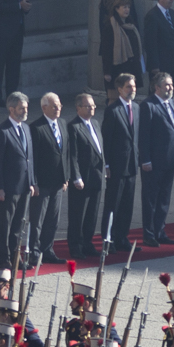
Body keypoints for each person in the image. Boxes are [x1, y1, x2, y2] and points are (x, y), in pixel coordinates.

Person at [0, 91, 38, 267]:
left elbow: (30, 158)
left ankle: (15, 257)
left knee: (19, 225)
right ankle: (4, 258)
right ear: (11, 109)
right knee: (6, 224)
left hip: (25, 186)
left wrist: (32, 182)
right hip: (9, 187)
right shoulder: (2, 131)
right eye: (22, 108)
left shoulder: (26, 128)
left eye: (26, 107)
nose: (25, 111)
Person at [139, 72, 174, 247]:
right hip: (153, 163)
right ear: (156, 87)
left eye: (171, 84)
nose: (170, 87)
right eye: (167, 85)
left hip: (169, 161)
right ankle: (149, 234)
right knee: (151, 200)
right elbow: (144, 136)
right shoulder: (148, 106)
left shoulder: (170, 103)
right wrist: (146, 160)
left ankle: (160, 231)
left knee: (164, 200)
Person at [102, 74, 141, 248]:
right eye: (128, 87)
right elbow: (107, 139)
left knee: (127, 204)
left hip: (132, 165)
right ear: (119, 89)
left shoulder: (137, 108)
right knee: (113, 205)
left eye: (133, 86)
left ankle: (122, 237)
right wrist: (107, 164)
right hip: (116, 166)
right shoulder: (113, 110)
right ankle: (108, 240)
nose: (132, 90)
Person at [30, 92, 68, 264]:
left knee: (53, 218)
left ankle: (48, 249)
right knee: (38, 219)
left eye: (59, 105)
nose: (58, 108)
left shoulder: (62, 124)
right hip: (42, 183)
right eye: (54, 106)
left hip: (58, 182)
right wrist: (34, 182)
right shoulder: (36, 127)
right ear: (44, 107)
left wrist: (66, 178)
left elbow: (65, 153)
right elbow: (34, 158)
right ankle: (34, 251)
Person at [66, 92, 106, 257]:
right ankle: (75, 245)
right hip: (82, 179)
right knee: (78, 214)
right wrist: (76, 177)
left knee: (92, 213)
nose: (92, 108)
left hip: (96, 177)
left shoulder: (95, 123)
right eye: (88, 106)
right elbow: (73, 155)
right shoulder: (74, 126)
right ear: (78, 108)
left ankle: (87, 243)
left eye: (93, 106)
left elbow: (99, 150)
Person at [102, 0, 148, 88]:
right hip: (119, 68)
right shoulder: (110, 26)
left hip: (133, 67)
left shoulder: (131, 24)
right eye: (124, 7)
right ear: (116, 9)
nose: (127, 10)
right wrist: (107, 72)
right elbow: (106, 50)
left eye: (128, 7)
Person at [144, 0, 174, 83]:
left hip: (173, 62)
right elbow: (150, 42)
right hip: (160, 64)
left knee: (170, 92)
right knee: (157, 92)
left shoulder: (172, 13)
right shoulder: (152, 16)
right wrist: (154, 65)